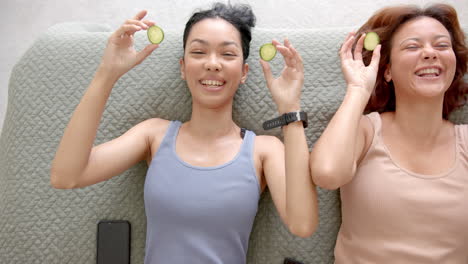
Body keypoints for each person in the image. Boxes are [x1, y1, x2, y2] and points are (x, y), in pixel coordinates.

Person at [50, 2, 318, 263]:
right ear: (182, 67)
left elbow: (302, 224)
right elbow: (66, 176)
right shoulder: (153, 134)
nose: (213, 64)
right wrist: (106, 73)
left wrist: (290, 107)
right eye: (199, 52)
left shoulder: (264, 149)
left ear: (244, 72)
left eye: (227, 54)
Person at [310, 3, 468, 263]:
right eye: (412, 46)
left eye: (441, 46)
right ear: (387, 70)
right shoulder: (366, 130)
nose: (430, 53)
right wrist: (358, 89)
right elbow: (327, 174)